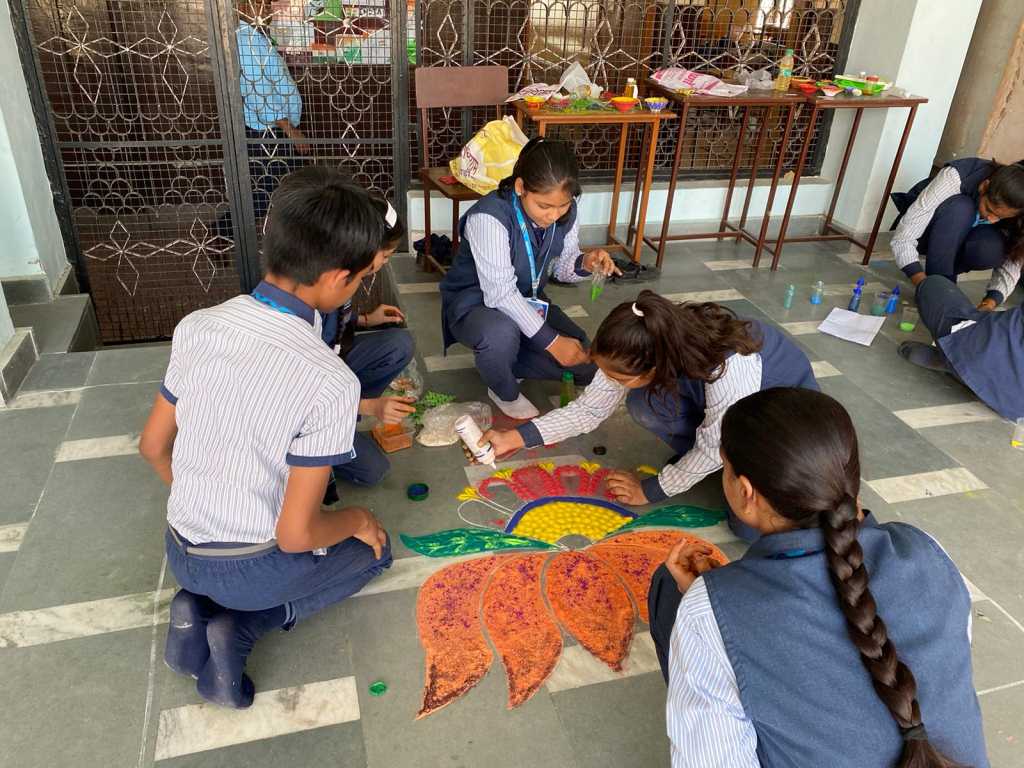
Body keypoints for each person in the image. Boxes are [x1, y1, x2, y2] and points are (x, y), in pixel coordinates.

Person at [139, 167, 391, 708]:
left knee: (272, 535)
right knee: (375, 552)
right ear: (336, 279)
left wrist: (207, 501)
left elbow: (153, 447)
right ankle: (243, 627)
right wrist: (358, 519)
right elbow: (296, 535)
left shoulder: (198, 325)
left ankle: (195, 604)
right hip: (254, 568)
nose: (358, 287)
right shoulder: (330, 380)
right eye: (360, 278)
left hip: (180, 549)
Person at [647, 387, 988, 768]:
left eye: (724, 467)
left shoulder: (707, 608)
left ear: (745, 492)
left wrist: (715, 607)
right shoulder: (925, 549)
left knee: (670, 592)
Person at [483, 291, 818, 539]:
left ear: (654, 368)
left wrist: (650, 491)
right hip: (728, 417)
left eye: (618, 378)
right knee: (645, 404)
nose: (609, 382)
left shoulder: (730, 367)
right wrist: (514, 438)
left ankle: (730, 469)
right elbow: (588, 410)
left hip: (783, 431)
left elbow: (711, 448)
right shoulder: (647, 338)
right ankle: (716, 467)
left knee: (749, 528)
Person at [439, 138, 619, 420]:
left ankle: (506, 360)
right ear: (521, 187)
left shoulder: (566, 210)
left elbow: (560, 268)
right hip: (477, 305)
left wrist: (585, 262)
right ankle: (502, 387)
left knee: (588, 365)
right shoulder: (489, 217)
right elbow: (500, 294)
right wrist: (552, 342)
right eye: (544, 205)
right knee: (499, 334)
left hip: (529, 299)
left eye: (562, 205)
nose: (553, 215)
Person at [320, 195, 416, 500]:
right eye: (385, 255)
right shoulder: (319, 290)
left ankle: (346, 416)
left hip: (333, 365)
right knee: (373, 471)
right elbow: (303, 391)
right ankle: (327, 435)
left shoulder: (342, 269)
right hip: (304, 402)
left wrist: (365, 319)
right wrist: (371, 407)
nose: (386, 263)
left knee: (398, 343)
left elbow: (336, 327)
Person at [214, 4, 311, 238]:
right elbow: (258, 92)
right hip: (269, 130)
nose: (265, 6)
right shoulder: (244, 39)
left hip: (275, 128)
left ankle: (294, 237)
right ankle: (220, 232)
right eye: (258, 2)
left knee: (295, 185)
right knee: (266, 192)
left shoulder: (250, 33)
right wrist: (290, 131)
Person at [891, 157, 1024, 309]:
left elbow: (1014, 260)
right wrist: (923, 283)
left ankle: (945, 287)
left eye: (1000, 217)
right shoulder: (958, 175)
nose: (991, 219)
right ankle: (940, 284)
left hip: (960, 244)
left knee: (990, 249)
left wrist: (991, 302)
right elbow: (903, 238)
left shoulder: (1018, 210)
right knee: (961, 208)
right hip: (927, 234)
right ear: (984, 186)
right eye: (989, 209)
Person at [898, 275, 1023, 421]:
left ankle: (956, 363)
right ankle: (975, 378)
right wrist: (991, 302)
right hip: (1017, 406)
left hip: (979, 356)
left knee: (933, 285)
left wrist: (984, 314)